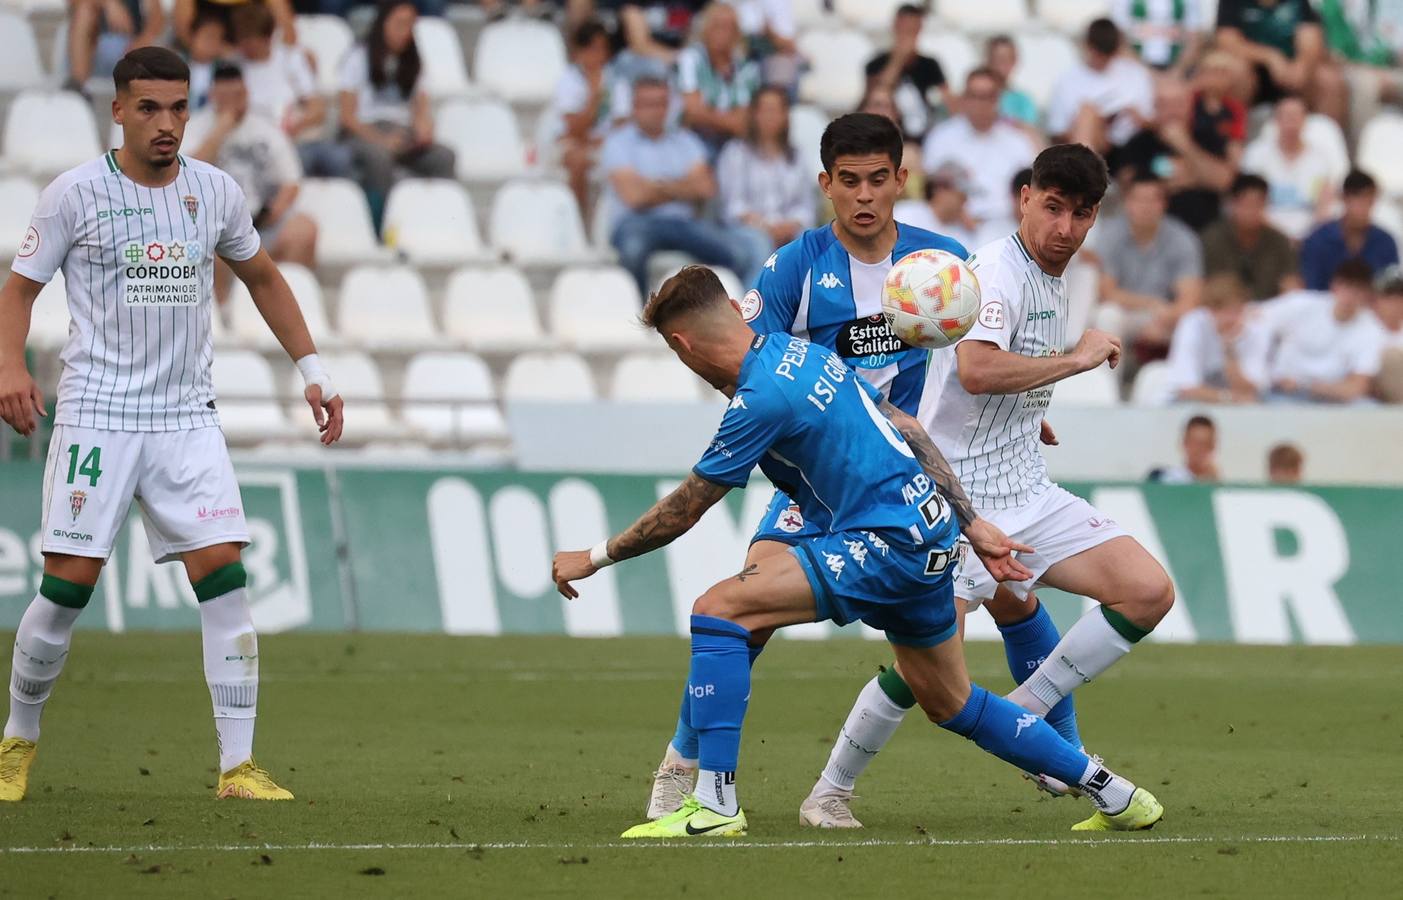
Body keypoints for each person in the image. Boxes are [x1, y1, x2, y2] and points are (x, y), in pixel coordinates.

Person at [552, 266, 1165, 839]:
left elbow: (683, 510)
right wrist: (972, 525)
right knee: (951, 702)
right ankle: (1112, 792)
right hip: (930, 539)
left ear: (683, 346)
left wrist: (595, 556)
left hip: (883, 543)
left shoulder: (759, 398)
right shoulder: (808, 356)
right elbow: (910, 428)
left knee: (720, 610)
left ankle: (714, 803)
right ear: (739, 313)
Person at [638, 116, 1092, 830]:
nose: (863, 195)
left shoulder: (941, 263)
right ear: (826, 185)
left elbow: (970, 359)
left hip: (908, 483)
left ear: (899, 180)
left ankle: (1060, 754)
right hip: (816, 483)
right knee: (747, 615)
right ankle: (682, 764)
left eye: (877, 179)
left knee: (1010, 596)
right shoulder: (793, 267)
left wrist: (1020, 411)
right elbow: (739, 368)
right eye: (847, 181)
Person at [0, 47, 344, 804]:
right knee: (68, 587)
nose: (167, 124)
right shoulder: (73, 195)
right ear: (117, 110)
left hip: (186, 417)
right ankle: (16, 742)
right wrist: (10, 368)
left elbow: (262, 277)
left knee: (224, 580)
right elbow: (18, 290)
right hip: (98, 414)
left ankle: (237, 767)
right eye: (149, 108)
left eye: (179, 107)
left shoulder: (215, 192)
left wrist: (313, 370)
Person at [801, 144, 1178, 826]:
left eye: (1080, 214)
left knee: (1146, 591)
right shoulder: (998, 272)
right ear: (1025, 198)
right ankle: (829, 791)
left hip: (1025, 487)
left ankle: (1026, 715)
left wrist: (1029, 415)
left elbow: (988, 378)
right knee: (921, 669)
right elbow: (976, 369)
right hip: (955, 504)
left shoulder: (1051, 272)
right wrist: (1077, 361)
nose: (1063, 227)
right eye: (1052, 208)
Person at [602, 77, 762, 297]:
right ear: (635, 107)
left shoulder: (686, 140)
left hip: (684, 223)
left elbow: (706, 188)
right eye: (648, 104)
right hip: (636, 222)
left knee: (739, 254)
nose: (655, 110)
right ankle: (638, 316)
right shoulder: (618, 142)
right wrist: (682, 188)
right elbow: (634, 197)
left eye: (660, 103)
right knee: (632, 250)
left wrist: (655, 186)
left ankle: (726, 318)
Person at [186, 63, 319, 287]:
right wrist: (222, 127)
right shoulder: (194, 127)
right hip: (213, 226)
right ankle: (224, 312)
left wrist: (272, 213)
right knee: (209, 245)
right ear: (212, 94)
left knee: (304, 229)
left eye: (237, 95)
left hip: (260, 222)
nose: (232, 102)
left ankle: (273, 292)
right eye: (224, 96)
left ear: (246, 93)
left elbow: (291, 182)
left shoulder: (266, 129)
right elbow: (187, 176)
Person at [336, 0, 456, 232]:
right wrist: (381, 140)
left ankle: (441, 224)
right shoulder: (358, 56)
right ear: (383, 24)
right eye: (400, 24)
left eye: (411, 25)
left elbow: (421, 109)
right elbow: (347, 117)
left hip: (400, 133)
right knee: (379, 158)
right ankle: (379, 227)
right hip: (365, 132)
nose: (406, 31)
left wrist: (423, 129)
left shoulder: (414, 60)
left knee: (444, 156)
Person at [1094, 172, 1204, 360]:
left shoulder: (1183, 239)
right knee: (1107, 315)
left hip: (1166, 316)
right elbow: (1107, 292)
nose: (1146, 207)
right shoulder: (1110, 235)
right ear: (1127, 202)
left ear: (1164, 204)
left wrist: (1167, 317)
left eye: (1153, 200)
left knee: (1194, 321)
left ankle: (1184, 385)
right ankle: (1107, 387)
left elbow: (1191, 297)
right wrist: (1151, 305)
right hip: (1127, 312)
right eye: (1139, 200)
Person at [1107, 76, 1240, 231]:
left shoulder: (1207, 137)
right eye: (1165, 104)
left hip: (1204, 231)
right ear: (1155, 107)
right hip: (1152, 232)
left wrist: (1184, 145)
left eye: (1178, 104)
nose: (1172, 111)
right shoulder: (1139, 142)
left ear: (1190, 106)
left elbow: (1225, 181)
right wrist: (1187, 179)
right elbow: (1127, 184)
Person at [921, 69, 1036, 237]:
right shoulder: (941, 137)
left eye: (987, 97)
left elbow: (1029, 191)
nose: (980, 104)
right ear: (964, 99)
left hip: (1005, 227)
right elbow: (930, 189)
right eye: (974, 96)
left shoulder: (1018, 142)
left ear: (997, 99)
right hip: (952, 226)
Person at [1260, 259, 1385, 402]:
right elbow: (1255, 317)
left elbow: (1357, 387)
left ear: (1367, 294)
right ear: (1334, 285)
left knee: (1369, 408)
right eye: (1346, 286)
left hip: (1333, 400)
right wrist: (1265, 373)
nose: (1350, 295)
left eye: (1358, 290)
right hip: (1282, 394)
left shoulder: (1372, 329)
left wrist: (1307, 385)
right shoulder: (1302, 304)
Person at [715, 86, 814, 258]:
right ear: (753, 114)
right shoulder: (735, 153)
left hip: (789, 228)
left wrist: (791, 224)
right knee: (760, 243)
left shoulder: (796, 156)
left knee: (808, 243)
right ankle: (757, 286)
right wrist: (765, 227)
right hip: (746, 230)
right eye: (765, 110)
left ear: (785, 116)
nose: (770, 117)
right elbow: (733, 206)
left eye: (776, 110)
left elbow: (806, 205)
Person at [543, 18, 627, 215]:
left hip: (605, 144)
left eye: (601, 49)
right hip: (572, 144)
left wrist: (600, 140)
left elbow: (623, 125)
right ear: (579, 52)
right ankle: (579, 220)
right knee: (578, 160)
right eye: (591, 49)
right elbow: (574, 130)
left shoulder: (616, 80)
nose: (597, 56)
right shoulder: (568, 80)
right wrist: (594, 98)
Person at [1214, 0, 1345, 125]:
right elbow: (1227, 41)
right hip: (1252, 73)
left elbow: (1310, 36)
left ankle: (1326, 142)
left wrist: (1302, 65)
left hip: (1291, 73)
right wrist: (1270, 57)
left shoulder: (1298, 3)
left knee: (1329, 81)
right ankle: (1230, 141)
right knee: (1233, 72)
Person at [1241, 95, 1346, 240]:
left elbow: (1325, 203)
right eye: (1286, 116)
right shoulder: (1256, 155)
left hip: (1309, 232)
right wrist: (1281, 238)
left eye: (1296, 117)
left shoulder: (1320, 159)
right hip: (1265, 232)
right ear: (1276, 121)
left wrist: (1309, 236)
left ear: (1305, 121)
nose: (1291, 123)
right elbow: (1249, 200)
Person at [1045, 19, 1155, 154]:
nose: (1101, 60)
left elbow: (1153, 123)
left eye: (1107, 56)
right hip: (1089, 146)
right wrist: (1088, 125)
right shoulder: (1066, 81)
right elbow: (1057, 133)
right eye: (1098, 54)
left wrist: (1135, 116)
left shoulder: (1136, 74)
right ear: (1087, 46)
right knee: (1087, 112)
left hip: (1131, 147)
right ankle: (1088, 169)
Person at [1164, 274, 1268, 402]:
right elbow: (1186, 389)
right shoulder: (1192, 324)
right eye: (1223, 311)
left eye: (1236, 311)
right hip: (1189, 404)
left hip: (1234, 407)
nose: (1230, 318)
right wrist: (1229, 398)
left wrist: (1229, 348)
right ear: (1209, 310)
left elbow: (1250, 390)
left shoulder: (1255, 328)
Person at [676, 3, 760, 158]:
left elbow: (744, 121)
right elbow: (693, 112)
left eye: (728, 27)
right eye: (717, 26)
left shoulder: (746, 68)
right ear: (705, 29)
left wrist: (708, 115)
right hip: (694, 139)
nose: (721, 32)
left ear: (737, 33)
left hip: (734, 144)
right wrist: (730, 121)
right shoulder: (691, 58)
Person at [864, 4, 952, 145]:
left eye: (912, 30)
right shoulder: (876, 64)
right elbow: (873, 98)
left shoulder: (930, 65)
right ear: (894, 27)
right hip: (886, 137)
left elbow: (949, 103)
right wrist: (898, 59)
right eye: (904, 29)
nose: (908, 35)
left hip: (925, 138)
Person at [1202, 174, 1300, 301]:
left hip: (1269, 312)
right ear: (1231, 204)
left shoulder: (1279, 241)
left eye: (1258, 204)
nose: (1251, 211)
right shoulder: (1211, 239)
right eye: (1246, 204)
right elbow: (1206, 287)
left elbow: (1290, 284)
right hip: (1223, 311)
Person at [1299, 170, 1400, 291]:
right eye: (1358, 199)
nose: (1364, 206)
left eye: (1369, 200)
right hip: (1325, 305)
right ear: (1344, 198)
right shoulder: (1318, 240)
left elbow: (1390, 289)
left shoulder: (1385, 242)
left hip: (1371, 307)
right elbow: (1312, 287)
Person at [1319, 0, 1403, 141]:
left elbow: (1396, 46)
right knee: (1366, 86)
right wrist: (1371, 70)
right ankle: (1365, 155)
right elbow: (1334, 55)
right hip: (1349, 68)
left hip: (1388, 67)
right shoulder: (1331, 5)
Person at [65, 0, 165, 95]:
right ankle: (78, 88)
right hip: (90, 52)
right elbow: (74, 4)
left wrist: (143, 41)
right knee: (84, 11)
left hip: (128, 50)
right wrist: (108, 3)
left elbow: (156, 17)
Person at [894, 166, 977, 250]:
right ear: (941, 190)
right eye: (961, 195)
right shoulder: (906, 212)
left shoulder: (962, 234)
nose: (965, 200)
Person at [1112, 0, 1205, 73]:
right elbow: (1118, 41)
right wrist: (1147, 75)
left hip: (1176, 74)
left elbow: (1195, 38)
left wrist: (1176, 73)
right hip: (1134, 72)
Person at [984, 35, 1039, 129]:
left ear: (1015, 61)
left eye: (1009, 59)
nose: (1004, 65)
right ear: (988, 60)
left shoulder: (1023, 100)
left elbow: (1029, 133)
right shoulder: (976, 97)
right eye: (999, 59)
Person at [1148, 415, 1219, 483]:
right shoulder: (1163, 478)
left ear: (1213, 446)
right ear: (1184, 443)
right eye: (1195, 443)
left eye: (1206, 444)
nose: (1200, 449)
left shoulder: (1217, 485)